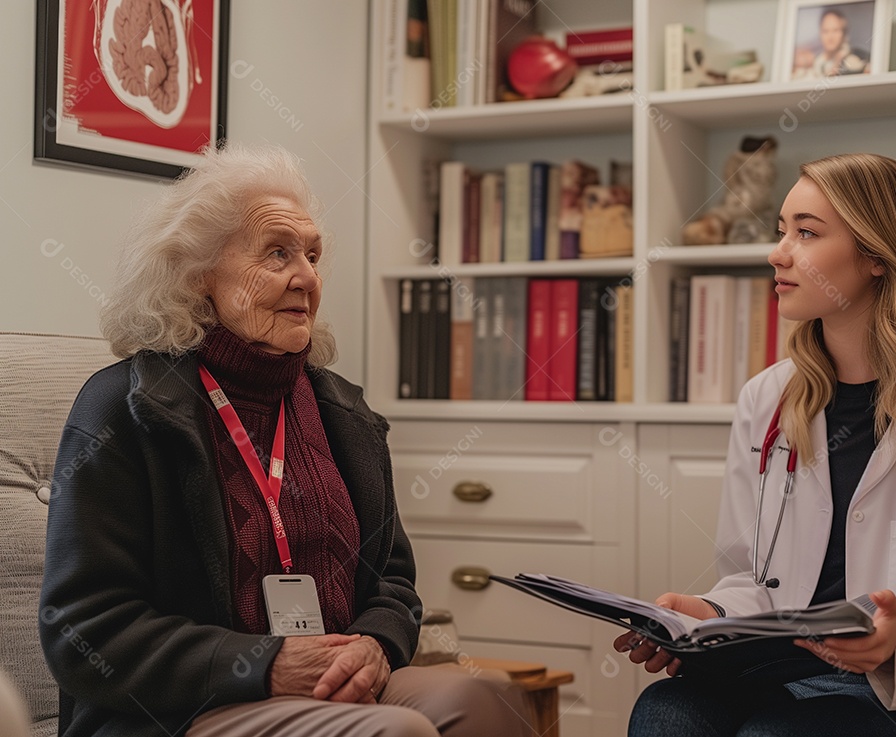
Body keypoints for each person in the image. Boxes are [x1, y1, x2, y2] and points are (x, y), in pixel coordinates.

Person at [38, 143, 531, 737]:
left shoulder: (342, 410)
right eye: (277, 254)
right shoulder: (126, 407)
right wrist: (264, 665)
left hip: (328, 684)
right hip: (182, 709)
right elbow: (85, 627)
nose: (307, 277)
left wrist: (375, 645)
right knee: (397, 732)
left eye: (313, 255)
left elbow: (394, 582)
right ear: (199, 279)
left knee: (487, 699)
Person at [615, 153, 896, 737]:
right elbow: (752, 580)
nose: (777, 253)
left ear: (878, 255)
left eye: (806, 233)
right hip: (785, 673)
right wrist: (708, 617)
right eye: (781, 231)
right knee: (664, 714)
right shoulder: (768, 400)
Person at [791, 8, 869, 79]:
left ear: (844, 33)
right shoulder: (815, 63)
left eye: (835, 30)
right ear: (820, 33)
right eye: (825, 31)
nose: (830, 37)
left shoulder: (856, 58)